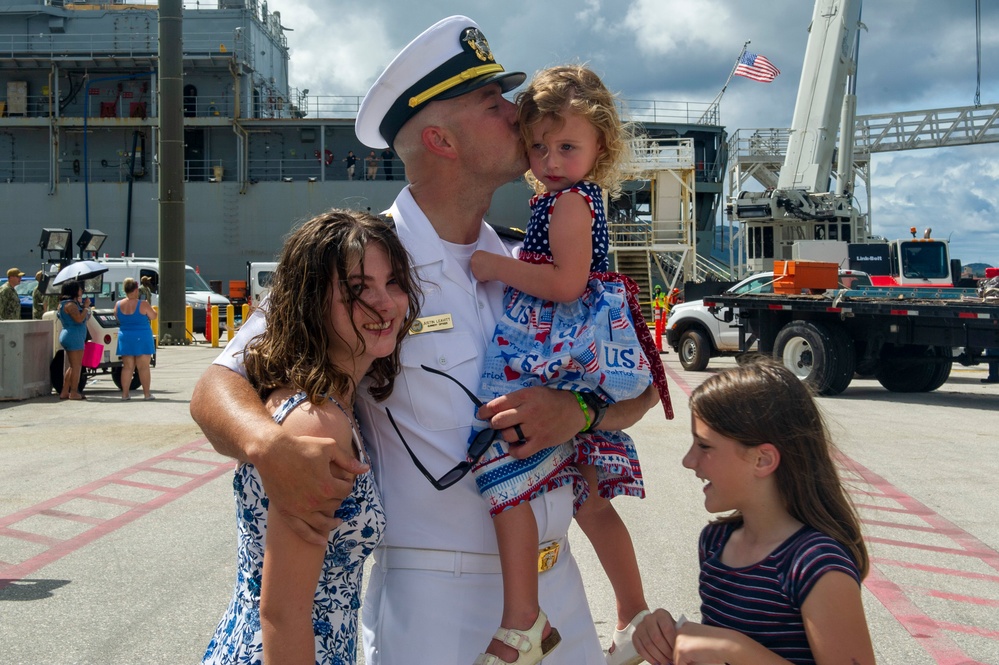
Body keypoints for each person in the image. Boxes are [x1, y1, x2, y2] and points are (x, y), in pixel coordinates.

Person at [190, 16, 656, 665]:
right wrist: (269, 445)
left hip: (558, 598)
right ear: (440, 138)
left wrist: (576, 412)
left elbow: (635, 387)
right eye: (493, 103)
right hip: (439, 603)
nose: (517, 112)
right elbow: (218, 383)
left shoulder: (534, 262)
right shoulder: (364, 267)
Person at [467, 64, 673, 665]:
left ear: (600, 146)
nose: (550, 160)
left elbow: (566, 282)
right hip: (577, 347)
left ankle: (523, 620)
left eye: (567, 146)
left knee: (502, 469)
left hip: (561, 344)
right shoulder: (569, 198)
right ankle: (631, 609)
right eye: (538, 146)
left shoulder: (568, 205)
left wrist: (494, 265)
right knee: (589, 496)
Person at [202, 210, 420, 665]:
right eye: (358, 290)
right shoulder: (317, 421)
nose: (385, 303)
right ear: (312, 303)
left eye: (394, 282)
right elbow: (283, 613)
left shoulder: (334, 400)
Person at [631, 358, 876, 665]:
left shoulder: (816, 565)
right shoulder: (715, 543)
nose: (688, 460)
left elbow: (728, 650)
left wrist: (732, 649)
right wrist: (666, 635)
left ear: (762, 460)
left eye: (704, 446)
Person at [115, 277, 158, 400]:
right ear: (135, 290)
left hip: (125, 336)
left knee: (128, 367)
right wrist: (153, 309)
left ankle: (125, 394)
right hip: (142, 337)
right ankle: (146, 394)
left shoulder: (118, 305)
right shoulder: (143, 304)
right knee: (143, 367)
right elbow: (153, 316)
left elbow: (117, 318)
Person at [56, 280, 91, 400]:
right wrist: (86, 307)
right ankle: (74, 392)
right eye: (79, 289)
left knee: (72, 366)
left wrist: (83, 306)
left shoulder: (63, 303)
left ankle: (65, 391)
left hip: (68, 334)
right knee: (76, 366)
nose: (81, 291)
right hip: (74, 336)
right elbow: (79, 319)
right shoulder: (70, 305)